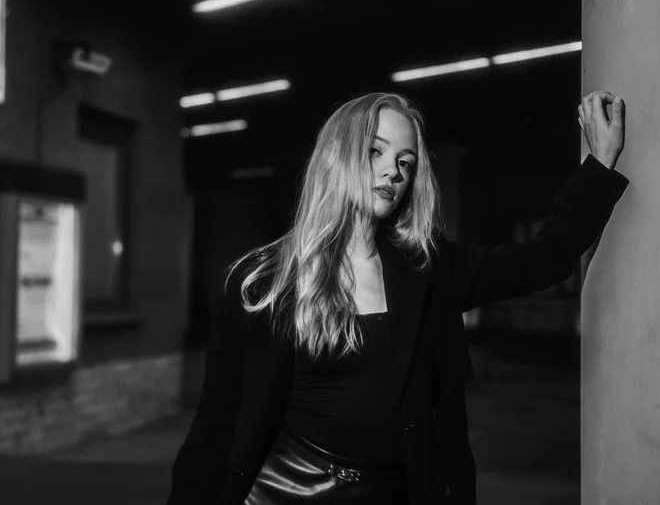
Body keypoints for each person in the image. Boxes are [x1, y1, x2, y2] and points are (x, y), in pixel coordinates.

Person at [167, 91, 629, 505]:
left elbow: (542, 260)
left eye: (405, 162)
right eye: (376, 151)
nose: (393, 171)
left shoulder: (430, 270)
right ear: (336, 155)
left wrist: (600, 166)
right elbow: (218, 422)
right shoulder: (262, 282)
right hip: (283, 491)